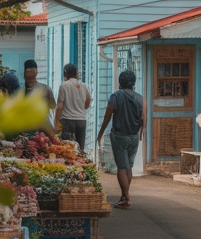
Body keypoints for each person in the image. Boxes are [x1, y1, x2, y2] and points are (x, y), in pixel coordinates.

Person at [96, 69, 146, 208]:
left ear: (120, 82)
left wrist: (100, 133)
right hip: (134, 137)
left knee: (121, 168)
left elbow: (108, 116)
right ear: (133, 83)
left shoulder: (115, 97)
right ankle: (124, 196)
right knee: (128, 167)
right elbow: (144, 118)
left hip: (119, 136)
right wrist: (141, 132)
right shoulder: (141, 98)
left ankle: (126, 198)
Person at [55, 63, 91, 153]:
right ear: (76, 73)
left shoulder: (64, 85)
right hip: (81, 121)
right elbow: (87, 104)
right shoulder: (84, 85)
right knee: (79, 150)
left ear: (65, 75)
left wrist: (56, 122)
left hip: (67, 121)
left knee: (68, 150)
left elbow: (59, 106)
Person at [22, 60, 57, 139]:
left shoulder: (45, 89)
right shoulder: (45, 89)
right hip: (29, 131)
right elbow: (52, 106)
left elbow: (52, 107)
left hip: (40, 131)